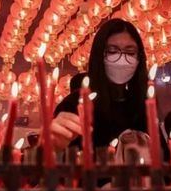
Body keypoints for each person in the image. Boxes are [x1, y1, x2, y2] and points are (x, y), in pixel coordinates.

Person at [52, 18, 151, 152]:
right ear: (99, 55)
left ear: (139, 58)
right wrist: (52, 146)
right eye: (112, 51)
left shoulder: (145, 104)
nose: (122, 59)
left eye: (130, 52)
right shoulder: (75, 104)